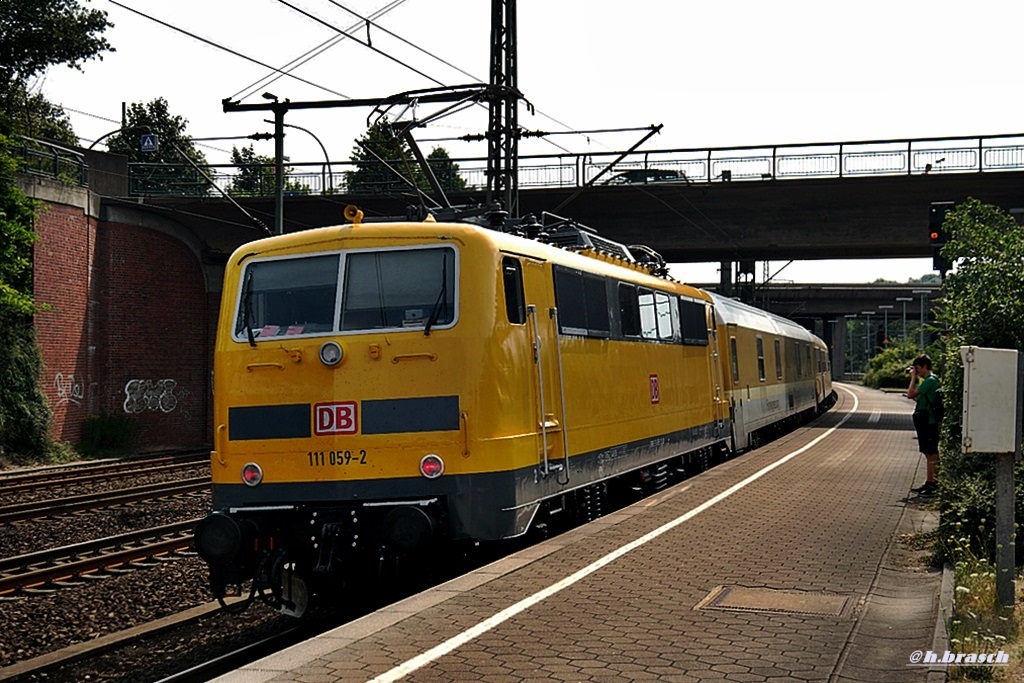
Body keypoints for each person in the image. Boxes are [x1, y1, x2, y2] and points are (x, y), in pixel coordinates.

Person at [906, 354, 940, 495]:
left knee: (931, 453)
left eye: (918, 368)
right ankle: (930, 481)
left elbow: (910, 394)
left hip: (929, 421)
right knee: (928, 452)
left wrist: (913, 378)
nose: (917, 371)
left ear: (925, 366)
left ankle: (934, 482)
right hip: (927, 420)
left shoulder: (929, 381)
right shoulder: (931, 380)